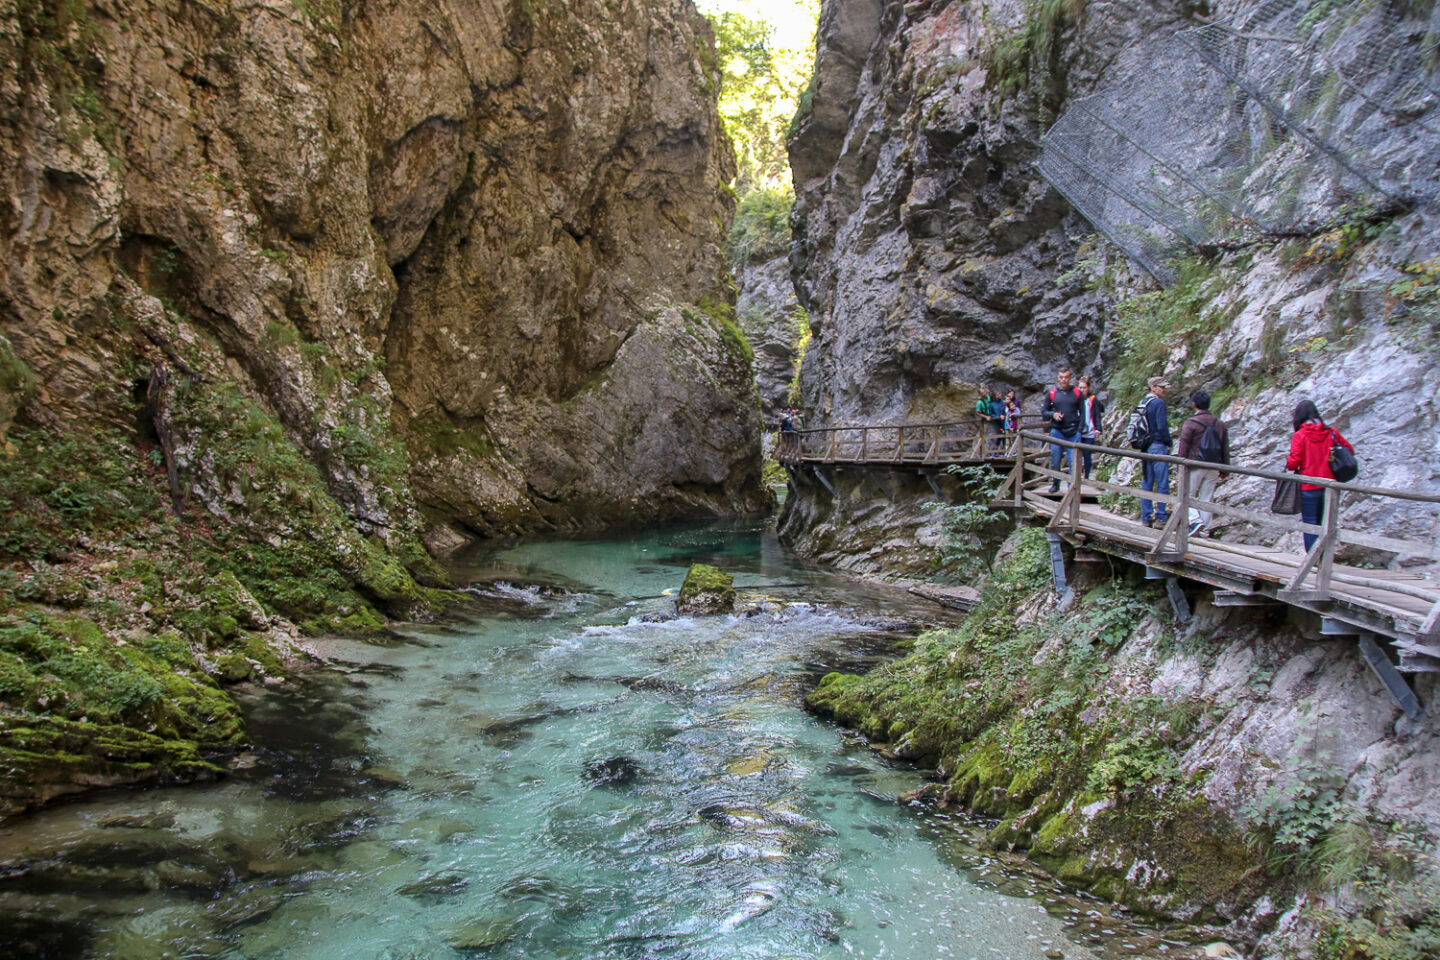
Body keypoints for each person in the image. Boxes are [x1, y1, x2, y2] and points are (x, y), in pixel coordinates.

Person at [1285, 399, 1353, 553]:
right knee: (1324, 524)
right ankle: (1323, 558)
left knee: (1310, 523)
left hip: (1308, 485)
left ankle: (1313, 561)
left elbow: (1293, 463)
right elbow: (1349, 451)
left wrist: (1289, 460)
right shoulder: (1331, 432)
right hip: (1329, 486)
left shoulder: (1300, 435)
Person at [1174, 389, 1230, 536]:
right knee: (1207, 498)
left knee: (1187, 495)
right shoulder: (1219, 424)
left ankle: (1195, 520)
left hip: (1194, 466)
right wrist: (1224, 470)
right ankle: (1205, 530)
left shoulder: (1191, 423)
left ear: (1194, 405)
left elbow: (1184, 446)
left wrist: (1179, 466)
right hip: (1213, 466)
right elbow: (1224, 447)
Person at [1041, 368, 1084, 493]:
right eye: (1061, 377)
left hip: (1073, 432)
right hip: (1057, 431)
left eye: (1066, 377)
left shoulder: (1077, 393)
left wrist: (1080, 431)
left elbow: (1083, 413)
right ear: (1058, 378)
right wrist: (1053, 414)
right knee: (1055, 460)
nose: (1063, 379)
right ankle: (1055, 483)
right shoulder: (1052, 393)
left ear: (1070, 377)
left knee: (1073, 461)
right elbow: (1044, 411)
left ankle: (1072, 487)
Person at [1138, 376, 1173, 527]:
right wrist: (1168, 442)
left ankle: (1145, 517)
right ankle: (1161, 517)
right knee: (1162, 483)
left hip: (1145, 446)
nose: (1164, 389)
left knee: (1147, 482)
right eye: (1161, 387)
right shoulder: (1158, 403)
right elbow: (1162, 425)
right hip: (1158, 445)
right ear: (1153, 387)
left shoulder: (1143, 402)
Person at [1077, 375, 1105, 479]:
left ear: (1088, 388)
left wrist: (1098, 429)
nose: (1082, 390)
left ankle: (1086, 475)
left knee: (1087, 455)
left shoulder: (1093, 400)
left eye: (1084, 388)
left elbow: (1097, 415)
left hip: (1089, 431)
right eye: (1080, 388)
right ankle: (1076, 475)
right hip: (1078, 431)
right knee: (1076, 454)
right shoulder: (1075, 399)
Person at [987, 389, 1006, 454]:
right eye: (998, 394)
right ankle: (995, 448)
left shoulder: (1003, 402)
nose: (999, 395)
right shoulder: (991, 404)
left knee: (1004, 433)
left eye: (1000, 394)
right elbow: (990, 413)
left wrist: (1003, 414)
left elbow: (1005, 409)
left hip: (1003, 421)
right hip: (996, 421)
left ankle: (1004, 449)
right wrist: (997, 416)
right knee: (999, 433)